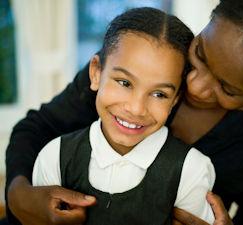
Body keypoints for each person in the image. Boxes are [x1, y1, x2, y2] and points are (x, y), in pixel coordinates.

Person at [4, 0, 243, 224]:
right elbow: (36, 128)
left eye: (228, 89)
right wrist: (20, 197)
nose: (195, 86)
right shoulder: (140, 62)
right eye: (200, 53)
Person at [31, 7, 216, 225]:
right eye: (125, 83)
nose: (137, 109)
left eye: (159, 94)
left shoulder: (191, 170)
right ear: (96, 73)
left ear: (175, 99)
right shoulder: (54, 157)